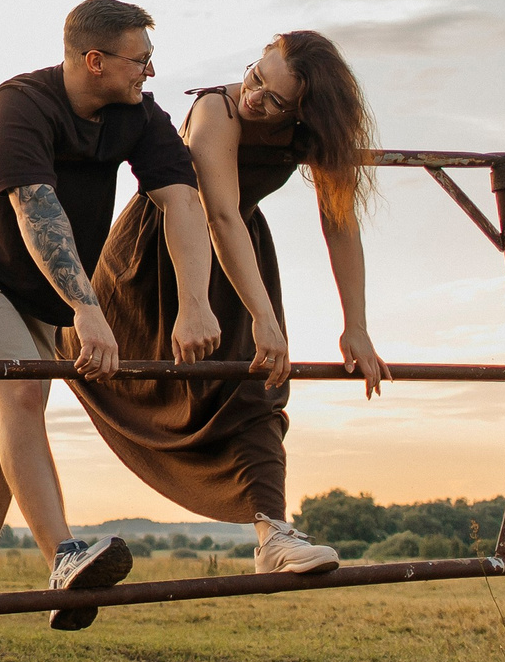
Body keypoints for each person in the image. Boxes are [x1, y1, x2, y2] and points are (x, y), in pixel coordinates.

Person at [0, 0, 220, 662]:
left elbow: (180, 201)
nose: (150, 70)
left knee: (4, 427)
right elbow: (34, 206)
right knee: (23, 396)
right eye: (140, 59)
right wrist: (89, 307)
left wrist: (194, 305)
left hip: (41, 282)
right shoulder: (20, 103)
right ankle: (64, 556)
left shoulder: (139, 115)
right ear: (94, 60)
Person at [65, 30, 390, 575]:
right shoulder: (217, 110)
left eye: (274, 98)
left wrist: (355, 324)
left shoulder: (318, 134)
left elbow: (340, 222)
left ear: (306, 112)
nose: (253, 94)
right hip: (163, 253)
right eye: (256, 74)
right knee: (151, 367)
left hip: (242, 251)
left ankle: (272, 535)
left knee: (261, 381)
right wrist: (264, 317)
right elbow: (217, 214)